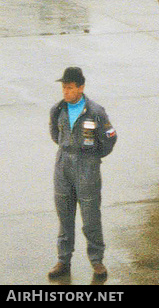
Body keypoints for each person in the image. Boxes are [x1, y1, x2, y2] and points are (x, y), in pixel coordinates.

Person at [49, 67, 116, 281]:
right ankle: (63, 260)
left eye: (69, 87)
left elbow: (109, 138)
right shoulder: (58, 109)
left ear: (81, 87)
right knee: (64, 217)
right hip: (63, 167)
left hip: (87, 168)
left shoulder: (95, 111)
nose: (65, 92)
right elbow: (55, 134)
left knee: (90, 218)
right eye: (64, 87)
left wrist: (92, 157)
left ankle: (97, 261)